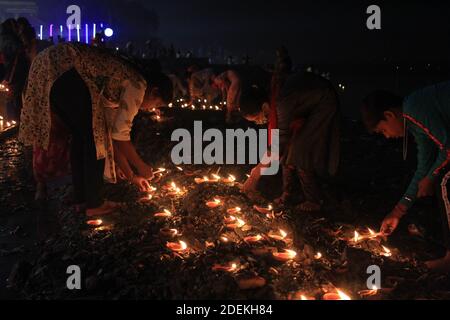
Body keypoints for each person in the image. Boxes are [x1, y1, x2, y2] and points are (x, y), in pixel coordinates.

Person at [20, 42, 173, 217]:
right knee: (92, 138)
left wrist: (132, 176)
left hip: (50, 67)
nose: (151, 108)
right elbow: (119, 135)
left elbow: (111, 135)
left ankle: (82, 200)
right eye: (157, 104)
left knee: (83, 136)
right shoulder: (138, 85)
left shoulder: (116, 89)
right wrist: (141, 166)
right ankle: (94, 204)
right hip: (65, 67)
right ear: (154, 91)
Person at [361, 83, 450, 273]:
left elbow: (447, 149)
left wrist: (432, 178)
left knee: (445, 182)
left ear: (389, 115)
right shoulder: (415, 124)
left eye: (382, 130)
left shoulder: (414, 109)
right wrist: (398, 212)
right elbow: (423, 168)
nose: (386, 137)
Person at [240, 72, 340, 212]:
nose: (259, 122)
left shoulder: (281, 103)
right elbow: (280, 142)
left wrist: (256, 174)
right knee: (289, 148)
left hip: (323, 103)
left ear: (264, 107)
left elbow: (279, 141)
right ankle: (288, 193)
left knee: (299, 148)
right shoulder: (274, 101)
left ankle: (314, 200)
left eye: (257, 118)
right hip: (306, 107)